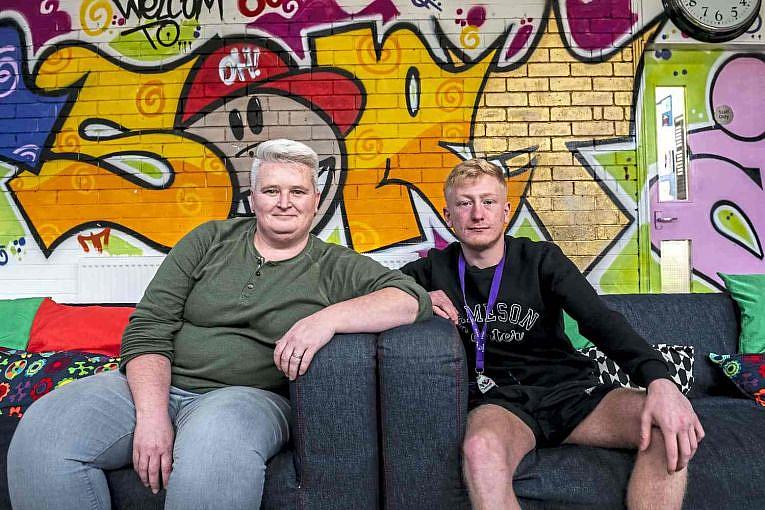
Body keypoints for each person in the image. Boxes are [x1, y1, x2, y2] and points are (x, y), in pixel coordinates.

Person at [8, 139, 431, 510]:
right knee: (42, 439)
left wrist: (326, 319)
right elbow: (149, 325)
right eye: (271, 190)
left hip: (247, 399)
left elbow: (410, 298)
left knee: (213, 455)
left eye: (297, 191)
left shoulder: (335, 266)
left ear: (315, 201)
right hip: (155, 384)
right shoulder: (209, 239)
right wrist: (153, 416)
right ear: (253, 198)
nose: (285, 202)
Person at [400, 159, 703, 510]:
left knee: (666, 428)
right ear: (448, 215)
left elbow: (599, 321)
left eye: (488, 202)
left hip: (570, 393)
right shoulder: (430, 270)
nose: (477, 214)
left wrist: (659, 379)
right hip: (499, 404)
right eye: (465, 203)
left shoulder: (541, 259)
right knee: (480, 450)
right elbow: (365, 288)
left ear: (506, 211)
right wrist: (416, 295)